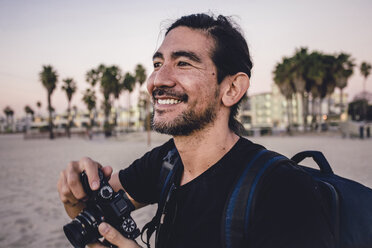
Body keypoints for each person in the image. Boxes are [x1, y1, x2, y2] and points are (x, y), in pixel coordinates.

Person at [58, 13, 334, 248]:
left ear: (231, 89)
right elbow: (90, 219)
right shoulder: (166, 162)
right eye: (157, 64)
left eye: (183, 63)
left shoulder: (282, 190)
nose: (157, 80)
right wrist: (73, 195)